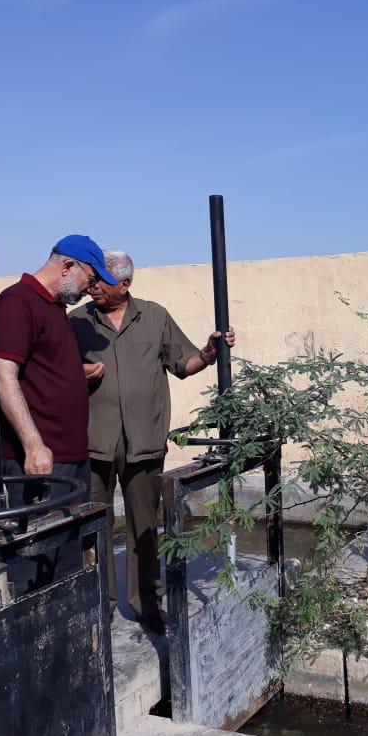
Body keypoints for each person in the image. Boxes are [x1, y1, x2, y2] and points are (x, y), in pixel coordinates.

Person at [70, 250, 235, 633]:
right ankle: (98, 606)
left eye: (101, 281)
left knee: (145, 527)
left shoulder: (154, 316)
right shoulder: (75, 322)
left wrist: (209, 353)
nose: (93, 287)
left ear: (125, 284)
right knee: (93, 529)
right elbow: (55, 373)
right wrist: (77, 373)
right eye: (92, 279)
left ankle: (146, 603)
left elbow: (183, 364)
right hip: (93, 442)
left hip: (144, 441)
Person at [0, 234, 117, 512]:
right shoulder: (18, 301)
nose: (91, 289)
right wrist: (34, 446)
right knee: (44, 537)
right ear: (68, 267)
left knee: (74, 537)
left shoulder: (54, 306)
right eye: (91, 279)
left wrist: (74, 374)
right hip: (42, 460)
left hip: (69, 456)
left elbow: (41, 367)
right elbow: (2, 376)